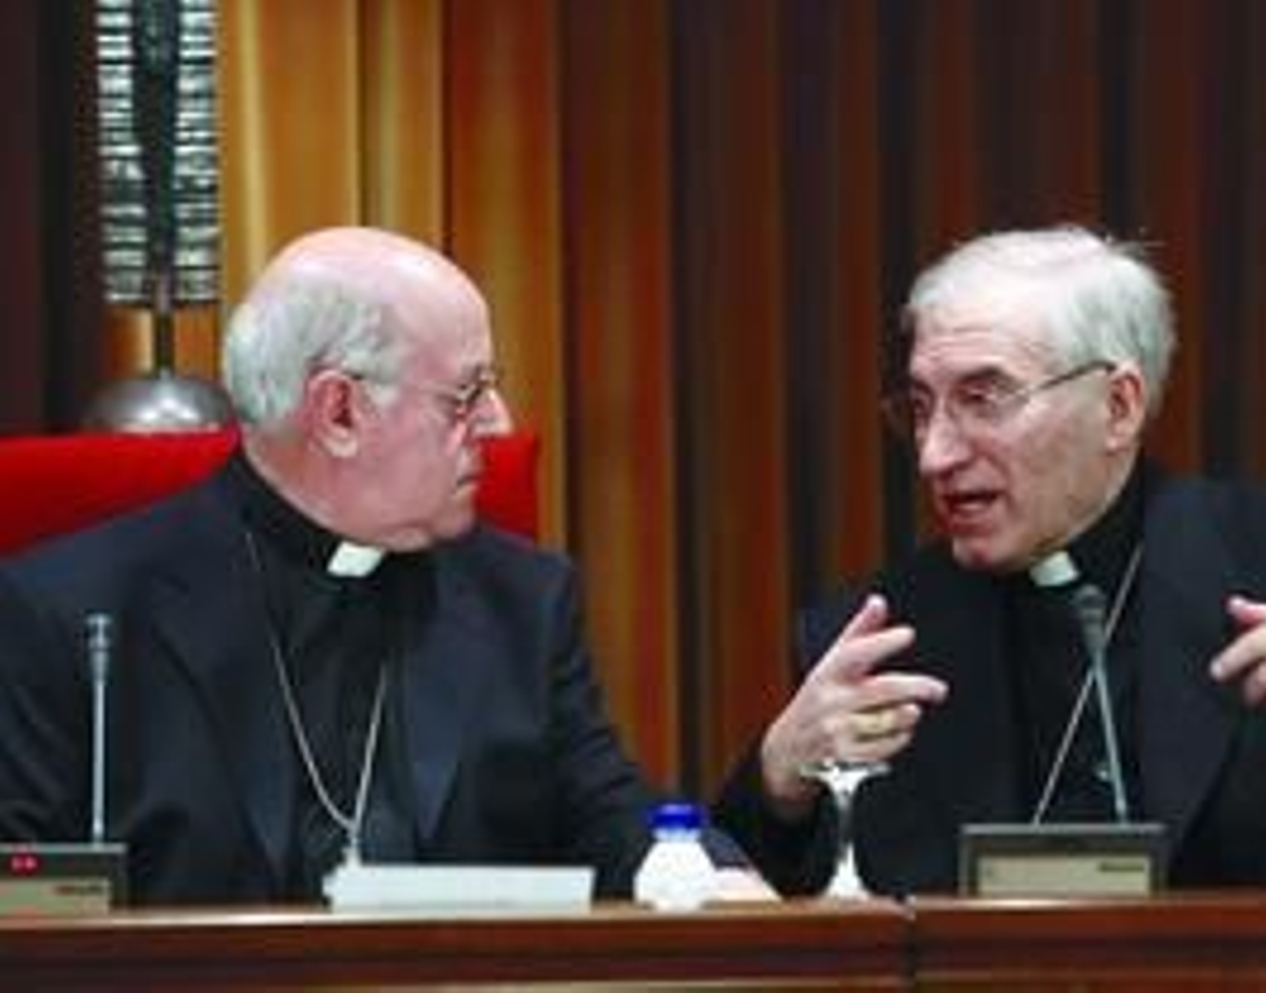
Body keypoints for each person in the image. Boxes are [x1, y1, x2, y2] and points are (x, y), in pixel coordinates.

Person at [715, 224, 1266, 894]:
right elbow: (741, 909)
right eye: (922, 405)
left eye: (983, 399)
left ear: (1120, 405)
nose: (937, 453)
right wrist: (778, 776)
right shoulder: (875, 636)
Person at [0, 226, 752, 904]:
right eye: (468, 394)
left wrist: (714, 878)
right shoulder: (71, 615)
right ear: (339, 413)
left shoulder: (522, 601)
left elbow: (608, 810)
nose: (500, 425)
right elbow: (27, 906)